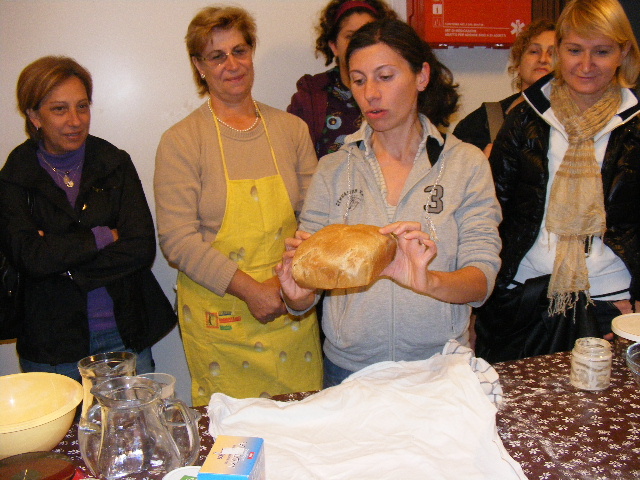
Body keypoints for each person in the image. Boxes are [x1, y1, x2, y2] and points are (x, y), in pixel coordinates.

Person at [276, 18, 502, 387]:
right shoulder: (334, 168)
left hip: (439, 370)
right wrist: (297, 295)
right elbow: (308, 284)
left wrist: (427, 281)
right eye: (359, 79)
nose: (371, 94)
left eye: (385, 76)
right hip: (350, 371)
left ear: (422, 76)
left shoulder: (465, 164)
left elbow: (481, 280)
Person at [154, 6, 323, 404]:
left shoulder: (291, 130)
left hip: (291, 308)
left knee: (302, 431)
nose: (232, 64)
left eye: (240, 51)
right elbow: (178, 240)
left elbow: (316, 219)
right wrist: (250, 290)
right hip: (222, 321)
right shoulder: (181, 141)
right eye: (217, 56)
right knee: (232, 444)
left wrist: (289, 285)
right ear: (199, 66)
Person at [475, 0, 640, 364]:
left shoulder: (635, 125)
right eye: (574, 50)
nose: (585, 65)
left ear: (623, 52)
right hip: (523, 299)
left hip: (612, 303)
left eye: (601, 51)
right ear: (558, 51)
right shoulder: (525, 120)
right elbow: (491, 211)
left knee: (604, 418)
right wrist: (496, 291)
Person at [0, 56, 176, 382]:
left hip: (125, 335)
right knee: (66, 434)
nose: (75, 120)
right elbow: (30, 257)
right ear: (34, 116)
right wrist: (103, 237)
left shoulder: (113, 162)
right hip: (53, 346)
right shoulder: (15, 175)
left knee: (141, 430)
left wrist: (59, 260)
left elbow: (140, 247)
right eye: (59, 109)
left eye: (82, 106)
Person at [287, 0, 397, 157]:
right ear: (334, 46)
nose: (359, 44)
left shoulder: (399, 89)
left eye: (367, 34)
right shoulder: (311, 98)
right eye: (350, 36)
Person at [453, 19, 556, 157]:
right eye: (534, 51)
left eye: (553, 53)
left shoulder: (579, 120)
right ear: (518, 64)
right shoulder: (484, 120)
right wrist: (481, 169)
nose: (543, 59)